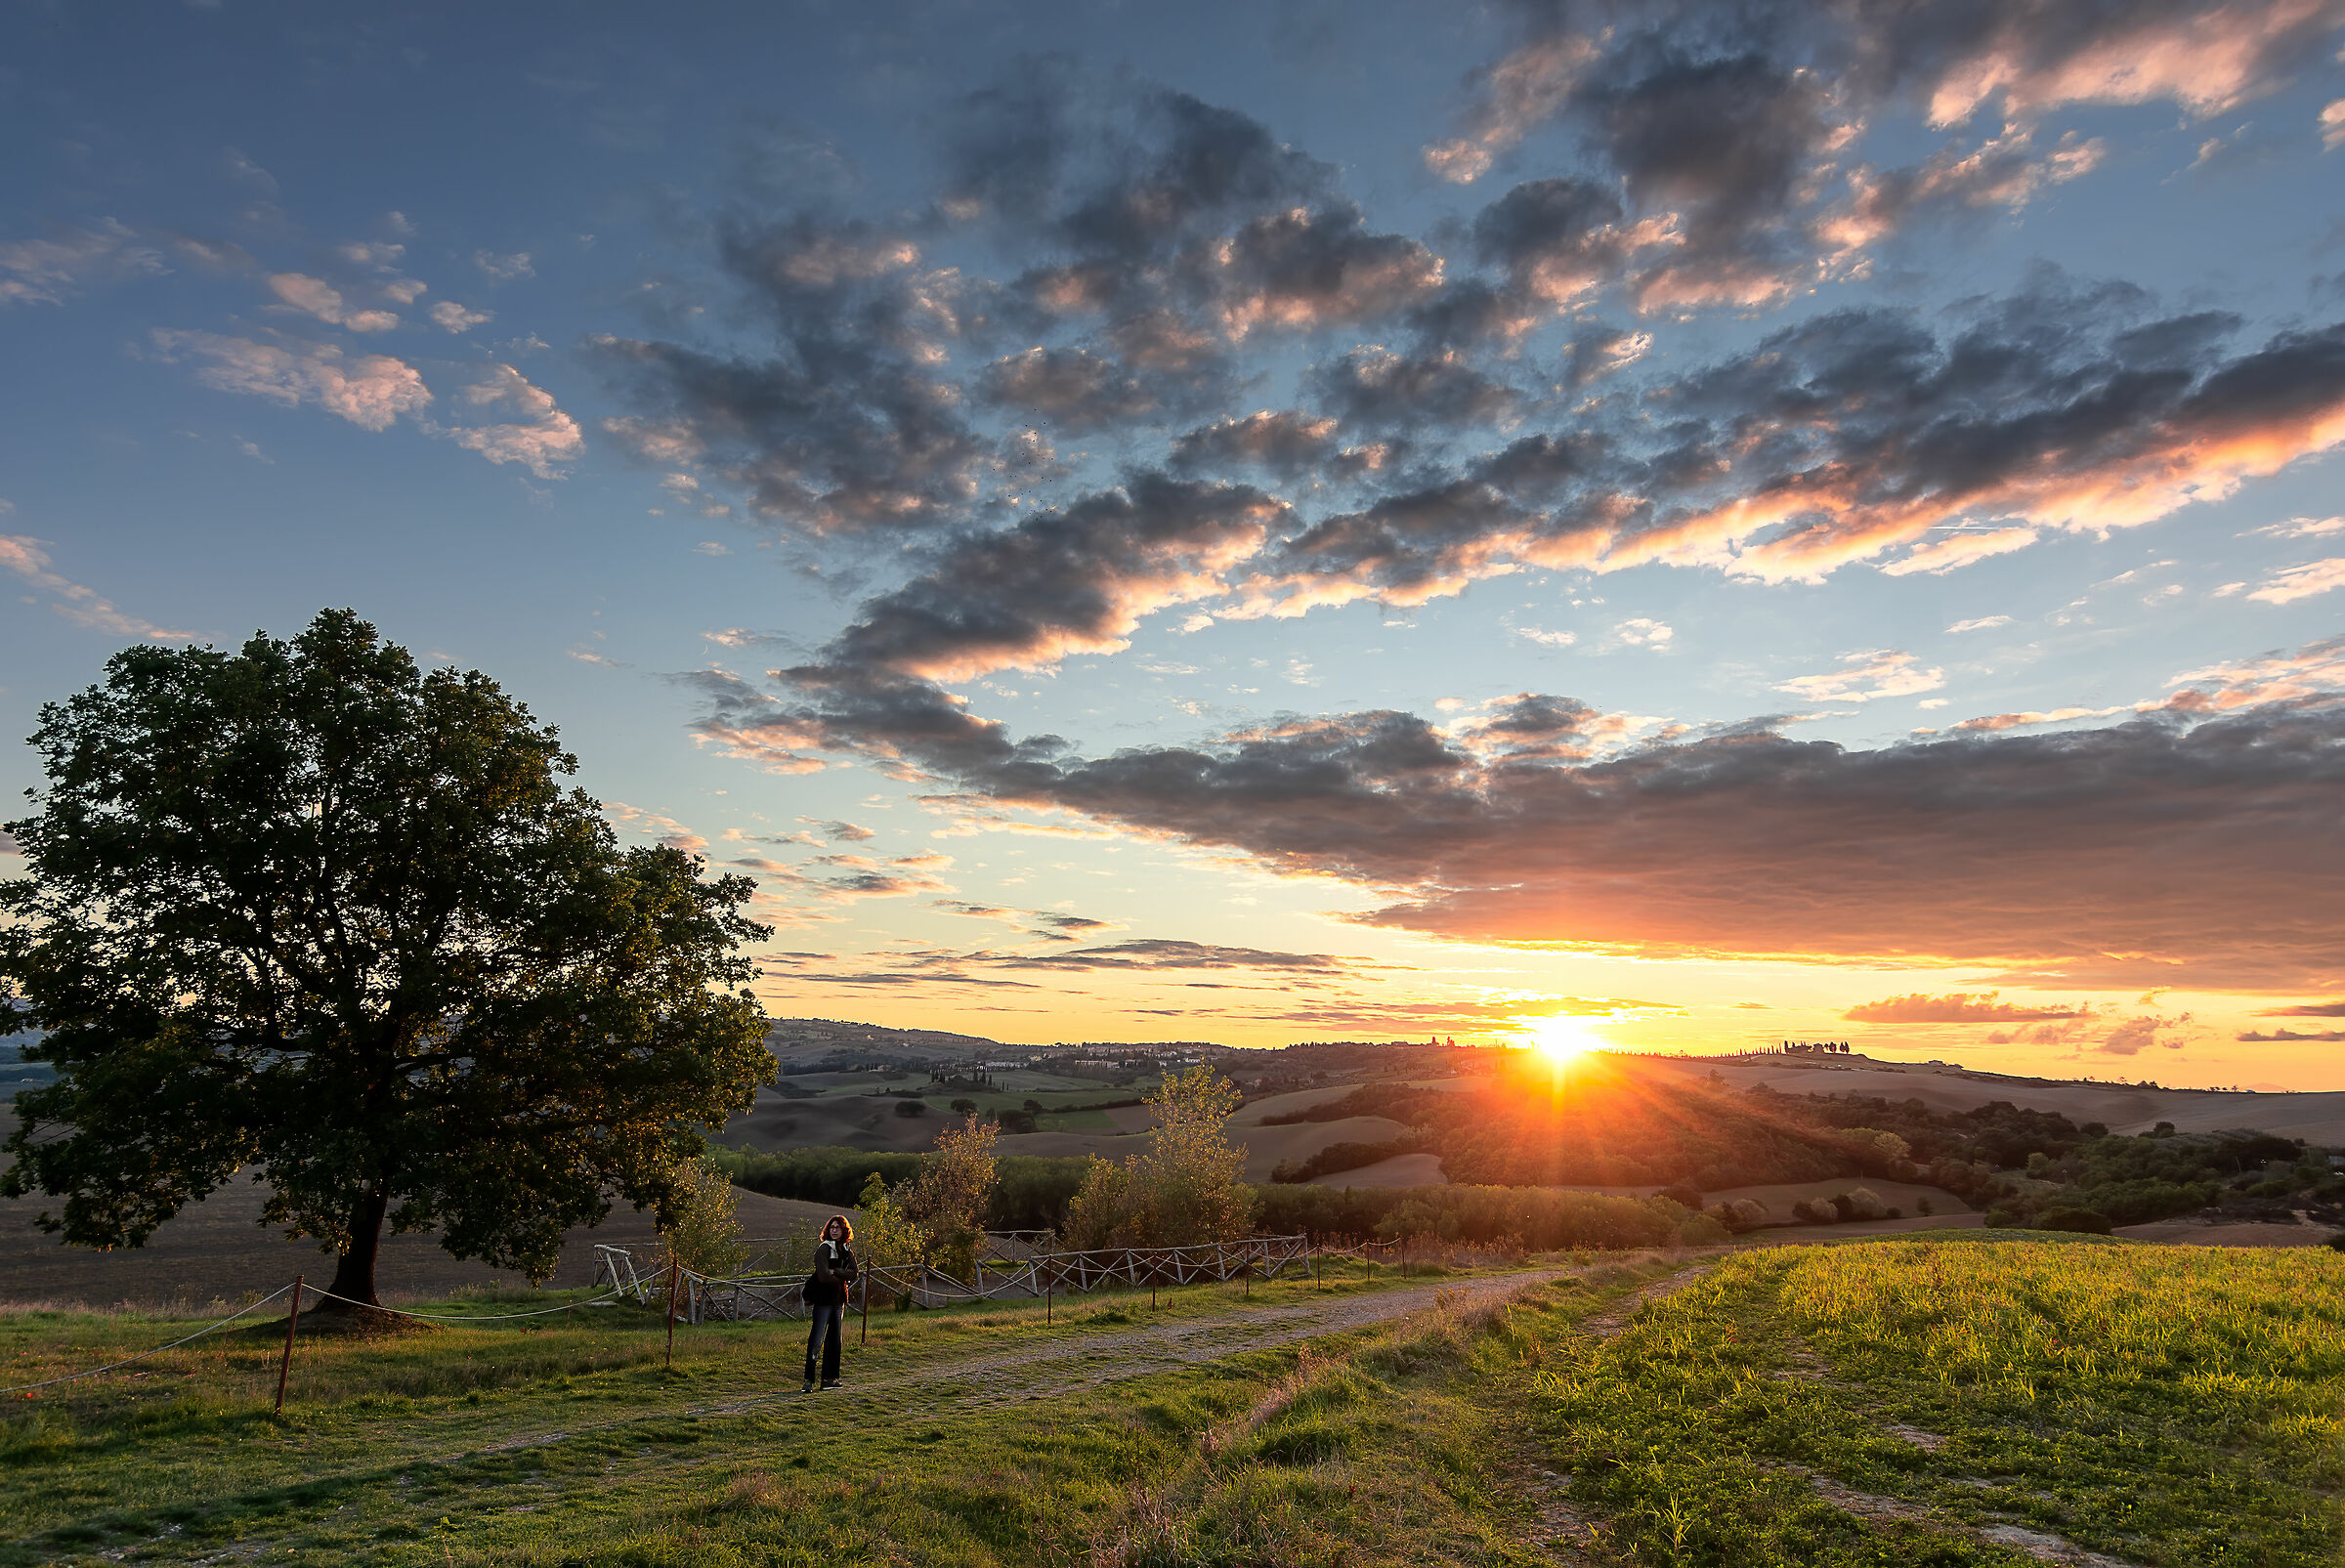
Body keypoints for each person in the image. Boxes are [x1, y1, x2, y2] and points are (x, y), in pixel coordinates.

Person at [802, 1213, 857, 1392]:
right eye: (832, 1227)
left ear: (844, 1230)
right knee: (816, 1340)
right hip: (824, 1300)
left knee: (835, 1341)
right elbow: (823, 1276)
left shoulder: (847, 1250)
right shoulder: (823, 1249)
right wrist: (841, 1275)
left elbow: (854, 1274)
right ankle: (808, 1381)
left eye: (838, 1227)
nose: (834, 1230)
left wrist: (837, 1272)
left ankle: (829, 1380)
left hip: (839, 1300)